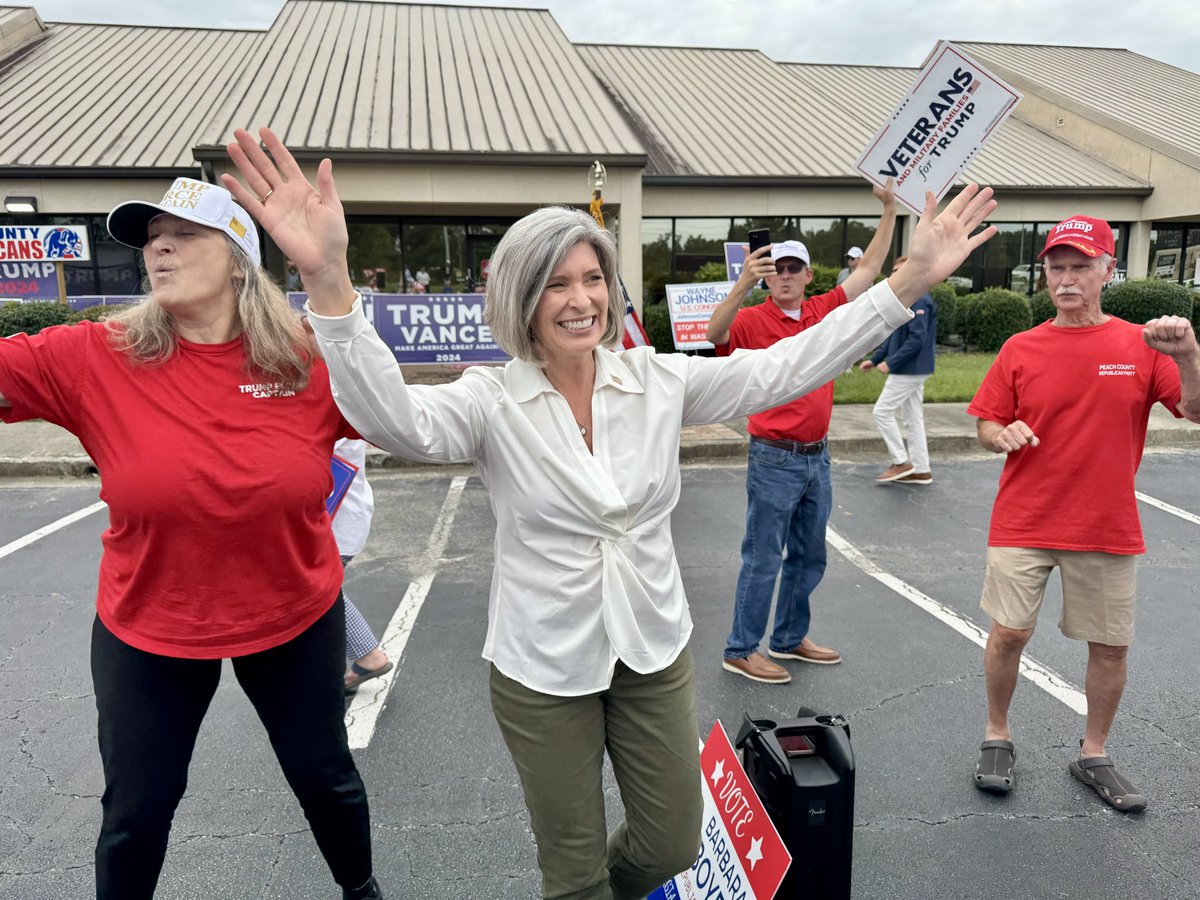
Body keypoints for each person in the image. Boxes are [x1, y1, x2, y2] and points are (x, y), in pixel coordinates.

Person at [222, 126, 996, 899]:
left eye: (593, 278)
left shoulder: (655, 381)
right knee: (573, 869)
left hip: (652, 648)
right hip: (543, 667)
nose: (581, 299)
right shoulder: (491, 399)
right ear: (522, 298)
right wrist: (328, 280)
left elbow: (783, 367)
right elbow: (395, 421)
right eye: (557, 283)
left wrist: (906, 282)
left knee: (671, 842)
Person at [0, 178, 383, 900]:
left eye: (184, 234)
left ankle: (363, 892)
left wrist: (331, 277)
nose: (160, 249)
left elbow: (405, 420)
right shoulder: (95, 355)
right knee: (136, 813)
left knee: (327, 781)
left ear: (239, 260)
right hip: (151, 622)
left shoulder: (306, 358)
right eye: (152, 239)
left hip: (293, 613)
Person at [967, 215, 1200, 812]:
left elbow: (1197, 411)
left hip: (1105, 522)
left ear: (1107, 270)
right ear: (1045, 273)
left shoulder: (1140, 346)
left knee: (1111, 646)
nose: (1067, 278)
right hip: (1024, 517)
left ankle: (1093, 752)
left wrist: (1190, 357)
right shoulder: (1021, 347)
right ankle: (997, 734)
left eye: (1081, 266)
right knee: (1009, 633)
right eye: (1057, 267)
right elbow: (987, 422)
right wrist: (999, 435)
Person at [708, 182, 898, 685]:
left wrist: (888, 210)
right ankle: (741, 648)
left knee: (810, 554)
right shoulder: (752, 319)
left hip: (817, 456)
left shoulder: (824, 311)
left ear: (809, 275)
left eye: (794, 268)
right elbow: (713, 334)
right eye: (777, 269)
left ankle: (789, 638)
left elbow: (869, 270)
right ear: (767, 277)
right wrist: (742, 284)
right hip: (774, 456)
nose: (785, 276)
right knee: (763, 557)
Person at [860, 255, 938, 485]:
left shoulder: (919, 300)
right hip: (911, 368)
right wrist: (875, 360)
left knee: (881, 412)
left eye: (899, 270)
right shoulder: (907, 299)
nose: (894, 275)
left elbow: (917, 338)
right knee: (913, 418)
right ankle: (921, 469)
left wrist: (891, 363)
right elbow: (894, 335)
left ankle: (901, 462)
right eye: (893, 271)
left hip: (910, 369)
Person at [333, 437, 393, 693]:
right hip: (338, 518)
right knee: (318, 592)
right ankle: (367, 655)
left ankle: (368, 655)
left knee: (319, 593)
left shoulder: (329, 411)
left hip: (334, 521)